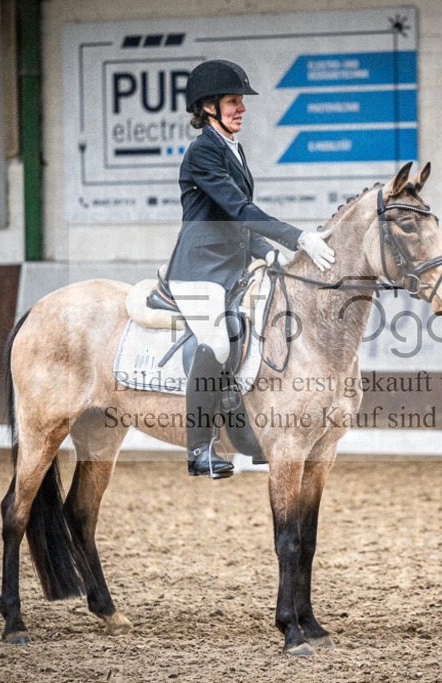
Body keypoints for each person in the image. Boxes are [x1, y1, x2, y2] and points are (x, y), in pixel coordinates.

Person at [166, 59, 335, 478]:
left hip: (233, 269)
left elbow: (235, 219)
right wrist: (297, 238)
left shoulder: (233, 148)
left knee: (264, 330)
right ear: (208, 107)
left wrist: (268, 253)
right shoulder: (203, 151)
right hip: (200, 269)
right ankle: (199, 449)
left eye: (241, 101)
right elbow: (240, 208)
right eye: (232, 101)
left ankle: (245, 435)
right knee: (218, 343)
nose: (241, 108)